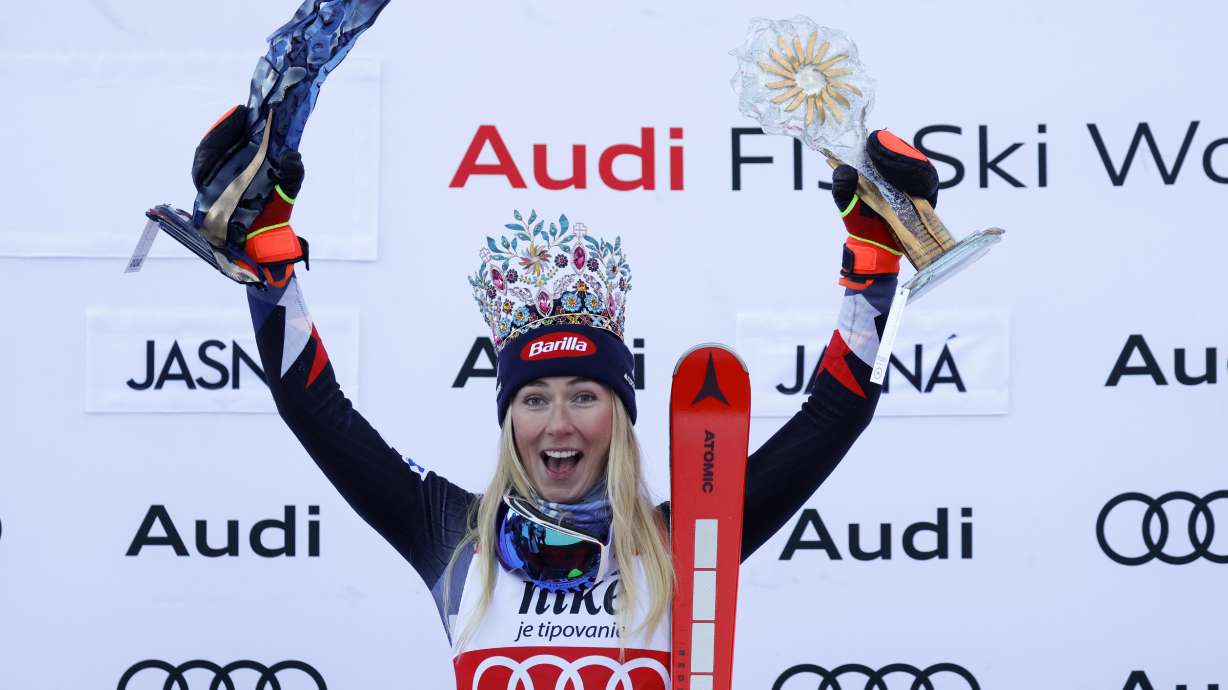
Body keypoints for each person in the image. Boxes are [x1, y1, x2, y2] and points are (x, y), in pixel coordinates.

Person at [190, 107, 939, 689]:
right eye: (534, 398)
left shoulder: (691, 544)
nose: (558, 424)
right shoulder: (454, 535)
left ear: (618, 414)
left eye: (584, 395)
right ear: (508, 417)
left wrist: (872, 268)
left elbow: (835, 414)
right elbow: (314, 410)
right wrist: (272, 263)